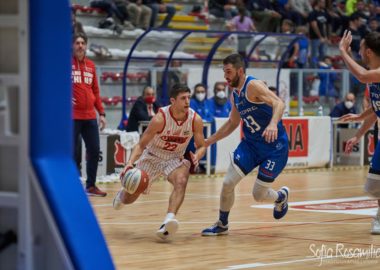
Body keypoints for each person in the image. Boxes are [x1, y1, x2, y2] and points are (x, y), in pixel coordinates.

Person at [201, 54, 290, 236]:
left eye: (229, 72)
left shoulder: (253, 85)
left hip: (274, 148)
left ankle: (280, 197)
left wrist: (273, 124)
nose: (225, 76)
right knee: (227, 183)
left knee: (258, 194)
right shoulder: (235, 94)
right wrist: (209, 141)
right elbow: (233, 123)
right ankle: (222, 224)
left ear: (240, 71)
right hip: (251, 145)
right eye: (224, 72)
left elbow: (279, 103)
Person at [113, 84, 206, 240]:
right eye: (183, 98)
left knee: (182, 180)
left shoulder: (195, 119)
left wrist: (197, 156)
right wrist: (130, 163)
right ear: (173, 100)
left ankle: (168, 221)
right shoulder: (160, 118)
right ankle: (122, 194)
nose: (187, 101)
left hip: (174, 158)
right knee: (130, 198)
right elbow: (141, 145)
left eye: (189, 97)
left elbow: (202, 146)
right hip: (152, 157)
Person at [338, 30, 380, 234]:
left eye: (361, 47)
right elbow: (376, 109)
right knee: (374, 185)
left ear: (369, 52)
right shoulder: (374, 77)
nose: (359, 51)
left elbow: (361, 75)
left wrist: (343, 53)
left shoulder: (376, 73)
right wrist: (359, 125)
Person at [72, 32, 107, 197]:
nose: (80, 46)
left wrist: (102, 112)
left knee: (94, 149)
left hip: (90, 116)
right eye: (77, 43)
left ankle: (91, 185)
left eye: (82, 43)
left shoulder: (91, 66)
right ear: (72, 46)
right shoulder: (66, 64)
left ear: (86, 46)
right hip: (72, 117)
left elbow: (95, 91)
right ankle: (71, 184)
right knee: (72, 152)